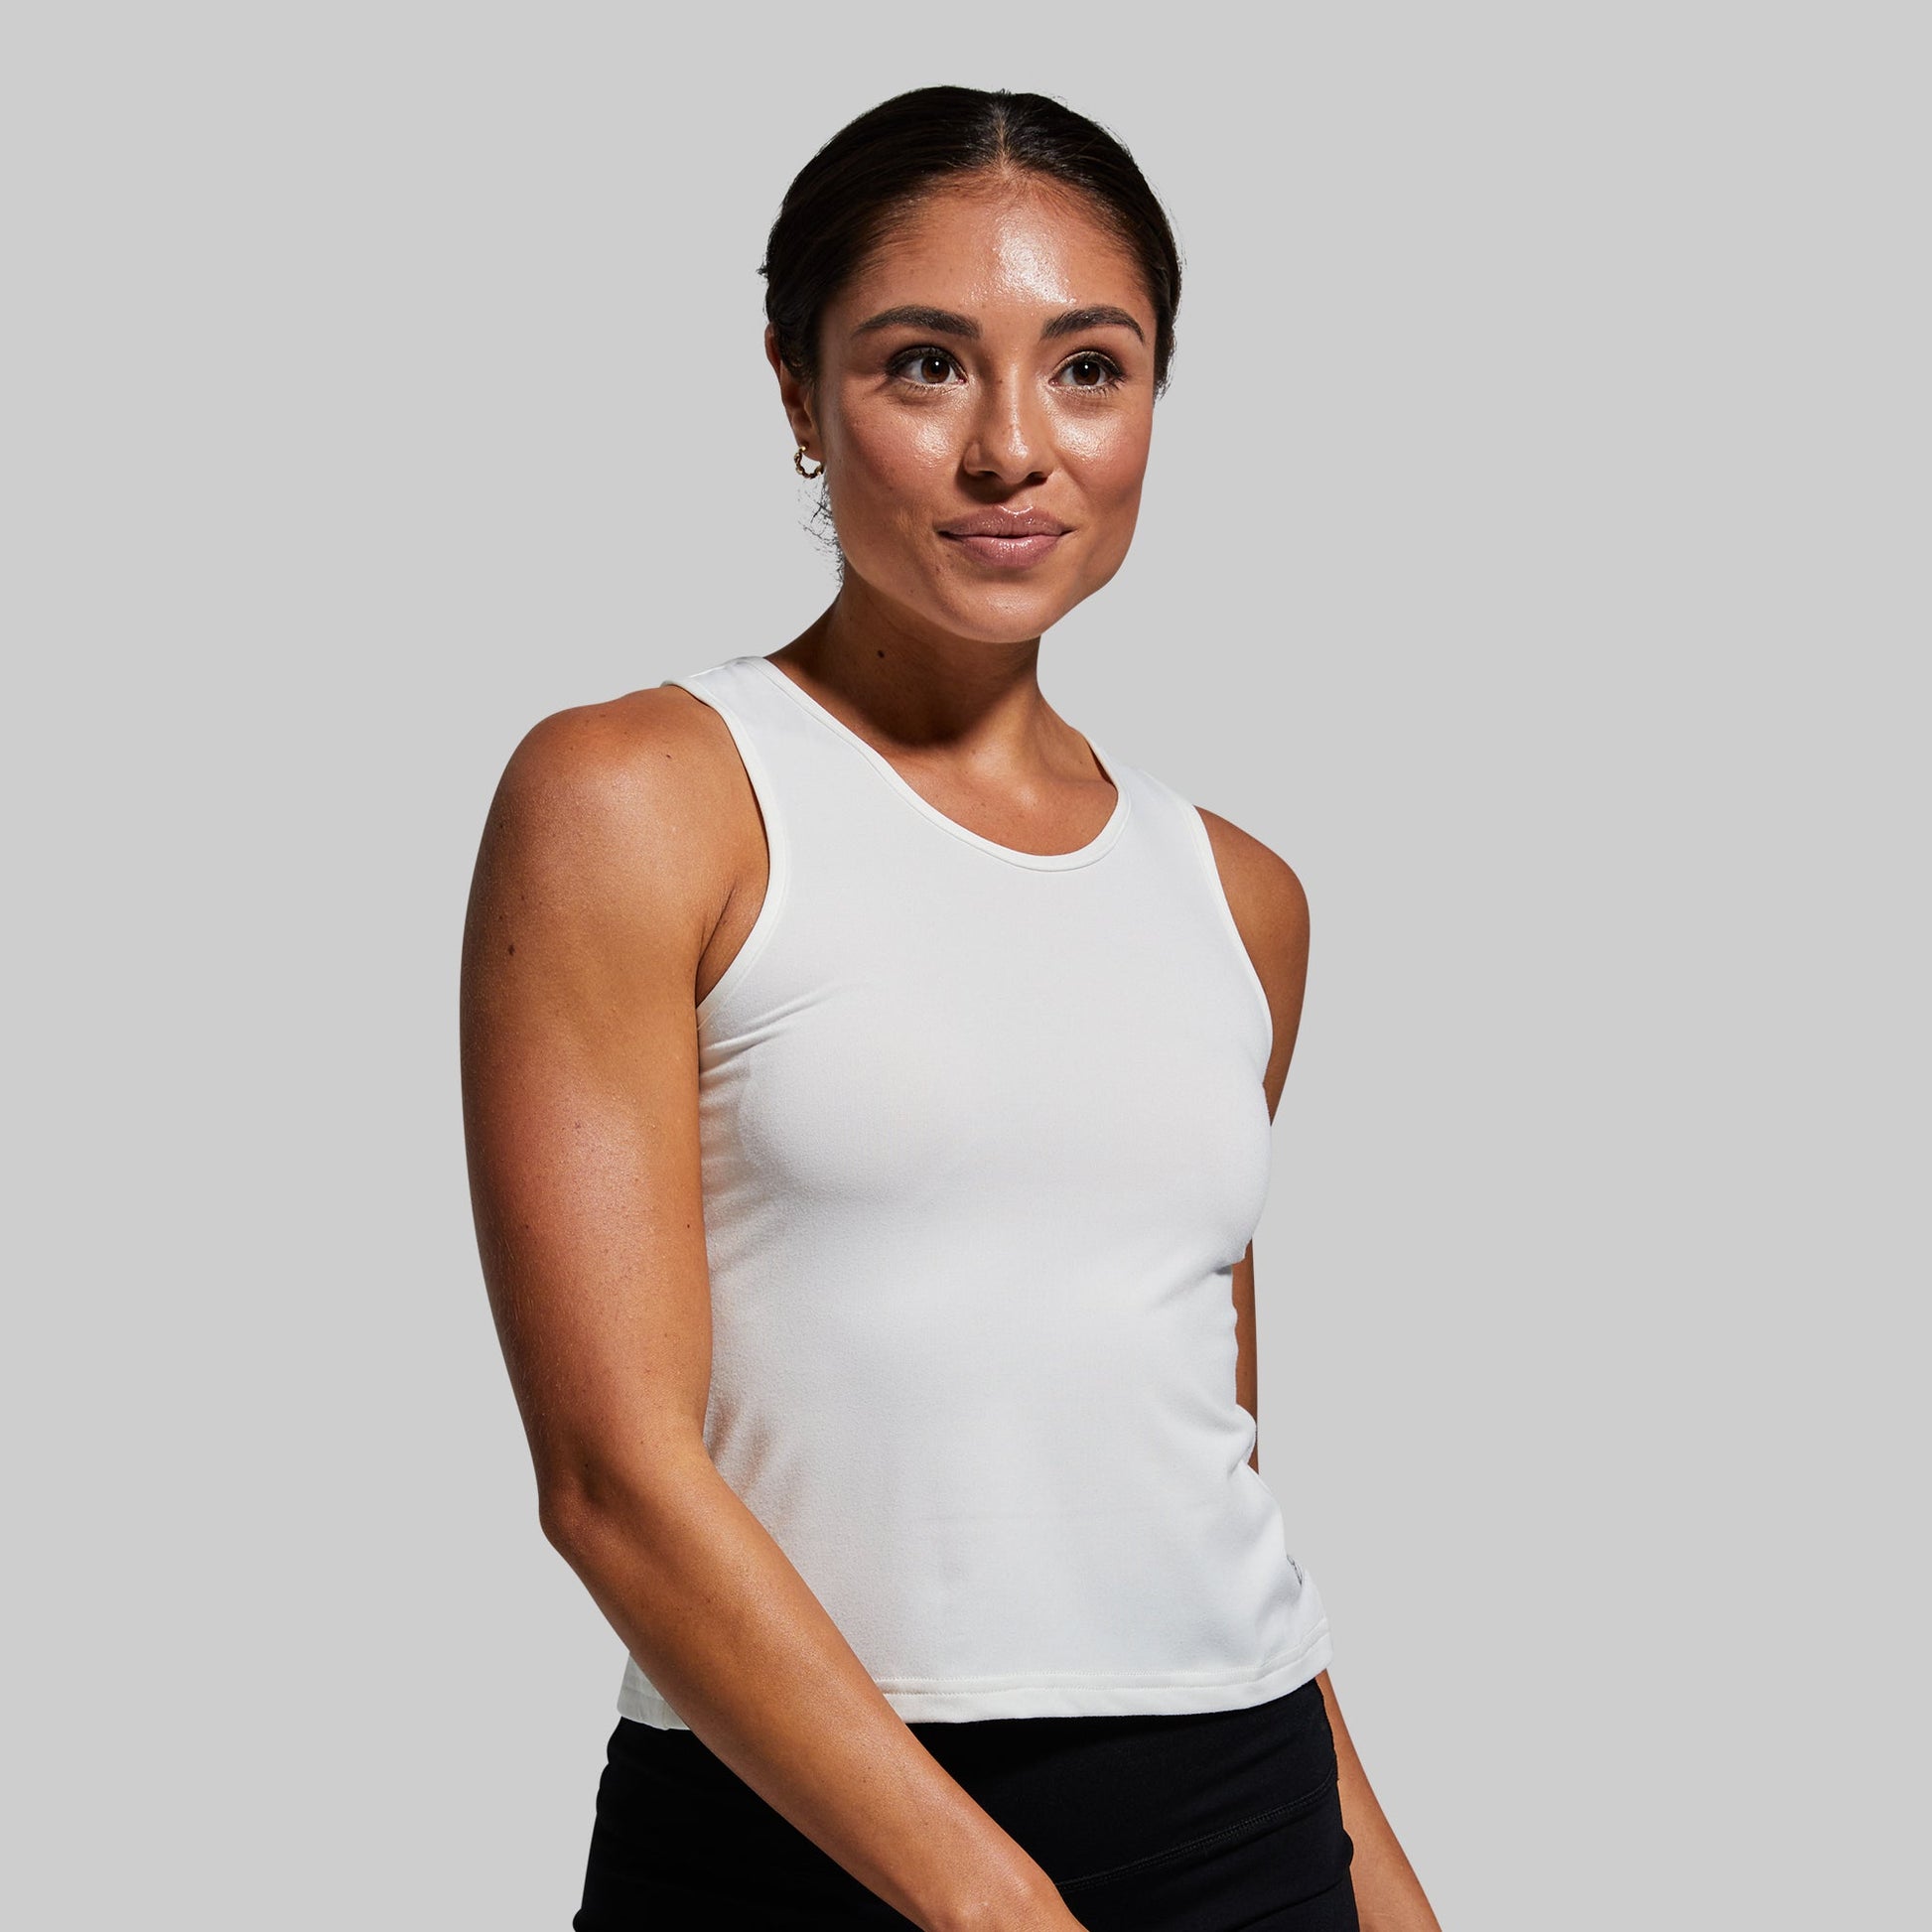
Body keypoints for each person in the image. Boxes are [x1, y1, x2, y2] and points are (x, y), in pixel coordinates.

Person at [461, 85, 1441, 1931]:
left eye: (1089, 369)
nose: (1013, 449)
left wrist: (1386, 1894)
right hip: (789, 1842)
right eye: (923, 364)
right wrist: (991, 1906)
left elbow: (1198, 1473)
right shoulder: (641, 799)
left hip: (1243, 1830)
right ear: (796, 388)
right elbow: (608, 1477)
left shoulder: (1239, 897)